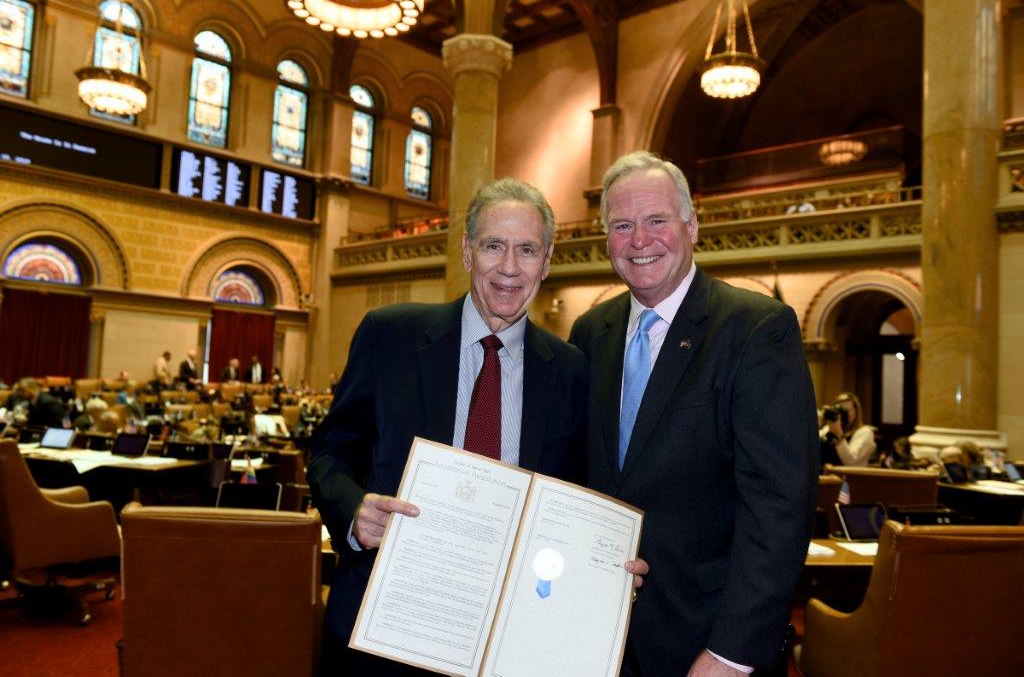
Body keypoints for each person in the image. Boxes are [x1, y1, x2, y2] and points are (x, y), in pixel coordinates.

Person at [308, 178, 638, 677]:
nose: (509, 267)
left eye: (527, 250)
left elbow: (581, 494)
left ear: (546, 262)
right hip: (388, 628)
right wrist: (354, 511)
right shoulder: (389, 336)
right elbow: (331, 452)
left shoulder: (571, 370)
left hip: (511, 636)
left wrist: (608, 564)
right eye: (493, 246)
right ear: (467, 252)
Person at [569, 152, 818, 676]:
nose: (640, 240)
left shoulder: (756, 329)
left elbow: (778, 503)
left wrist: (733, 650)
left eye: (657, 220)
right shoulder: (591, 333)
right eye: (622, 225)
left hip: (706, 641)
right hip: (596, 633)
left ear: (692, 225)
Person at [819, 391, 876, 467]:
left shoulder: (865, 432)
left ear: (856, 412)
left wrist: (838, 434)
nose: (843, 415)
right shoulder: (828, 429)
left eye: (847, 411)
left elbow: (851, 462)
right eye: (840, 411)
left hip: (850, 478)